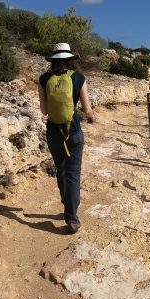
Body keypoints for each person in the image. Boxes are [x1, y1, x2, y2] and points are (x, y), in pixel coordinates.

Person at [38, 42, 95, 233]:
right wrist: (91, 117)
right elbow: (87, 109)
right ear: (71, 59)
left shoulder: (44, 79)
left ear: (53, 60)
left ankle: (67, 206)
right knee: (73, 173)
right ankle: (71, 217)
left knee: (61, 170)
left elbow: (44, 111)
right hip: (74, 131)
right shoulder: (79, 77)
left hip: (54, 132)